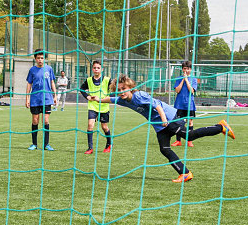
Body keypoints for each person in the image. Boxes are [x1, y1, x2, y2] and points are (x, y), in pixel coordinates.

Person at [89, 74, 235, 183]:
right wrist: (97, 99)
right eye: (119, 90)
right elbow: (111, 99)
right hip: (159, 126)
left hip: (170, 118)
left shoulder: (139, 96)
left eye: (124, 89)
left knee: (189, 136)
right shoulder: (122, 99)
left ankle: (220, 127)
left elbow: (157, 105)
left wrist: (164, 119)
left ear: (131, 87)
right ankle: (185, 173)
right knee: (164, 148)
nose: (121, 92)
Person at [25, 49, 57, 151]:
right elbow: (29, 84)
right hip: (35, 99)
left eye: (42, 58)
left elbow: (52, 82)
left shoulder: (49, 69)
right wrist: (27, 98)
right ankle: (34, 144)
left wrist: (55, 96)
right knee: (35, 120)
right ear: (35, 58)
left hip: (47, 98)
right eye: (38, 58)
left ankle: (46, 144)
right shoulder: (32, 70)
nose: (40, 60)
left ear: (45, 59)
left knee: (46, 120)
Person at [80, 60, 112, 154]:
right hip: (92, 106)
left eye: (98, 68)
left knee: (104, 127)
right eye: (94, 68)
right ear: (92, 69)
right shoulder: (89, 80)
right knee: (90, 125)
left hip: (104, 107)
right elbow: (81, 89)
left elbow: (114, 90)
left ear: (101, 69)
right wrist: (87, 96)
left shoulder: (107, 80)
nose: (96, 69)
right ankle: (90, 148)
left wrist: (108, 98)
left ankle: (109, 144)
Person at [172, 60, 198, 147]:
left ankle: (189, 141)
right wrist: (183, 79)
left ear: (190, 69)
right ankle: (178, 141)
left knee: (190, 122)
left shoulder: (194, 79)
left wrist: (187, 80)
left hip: (189, 105)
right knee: (178, 123)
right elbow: (177, 90)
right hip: (179, 104)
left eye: (187, 69)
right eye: (184, 69)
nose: (185, 71)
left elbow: (191, 91)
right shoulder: (178, 78)